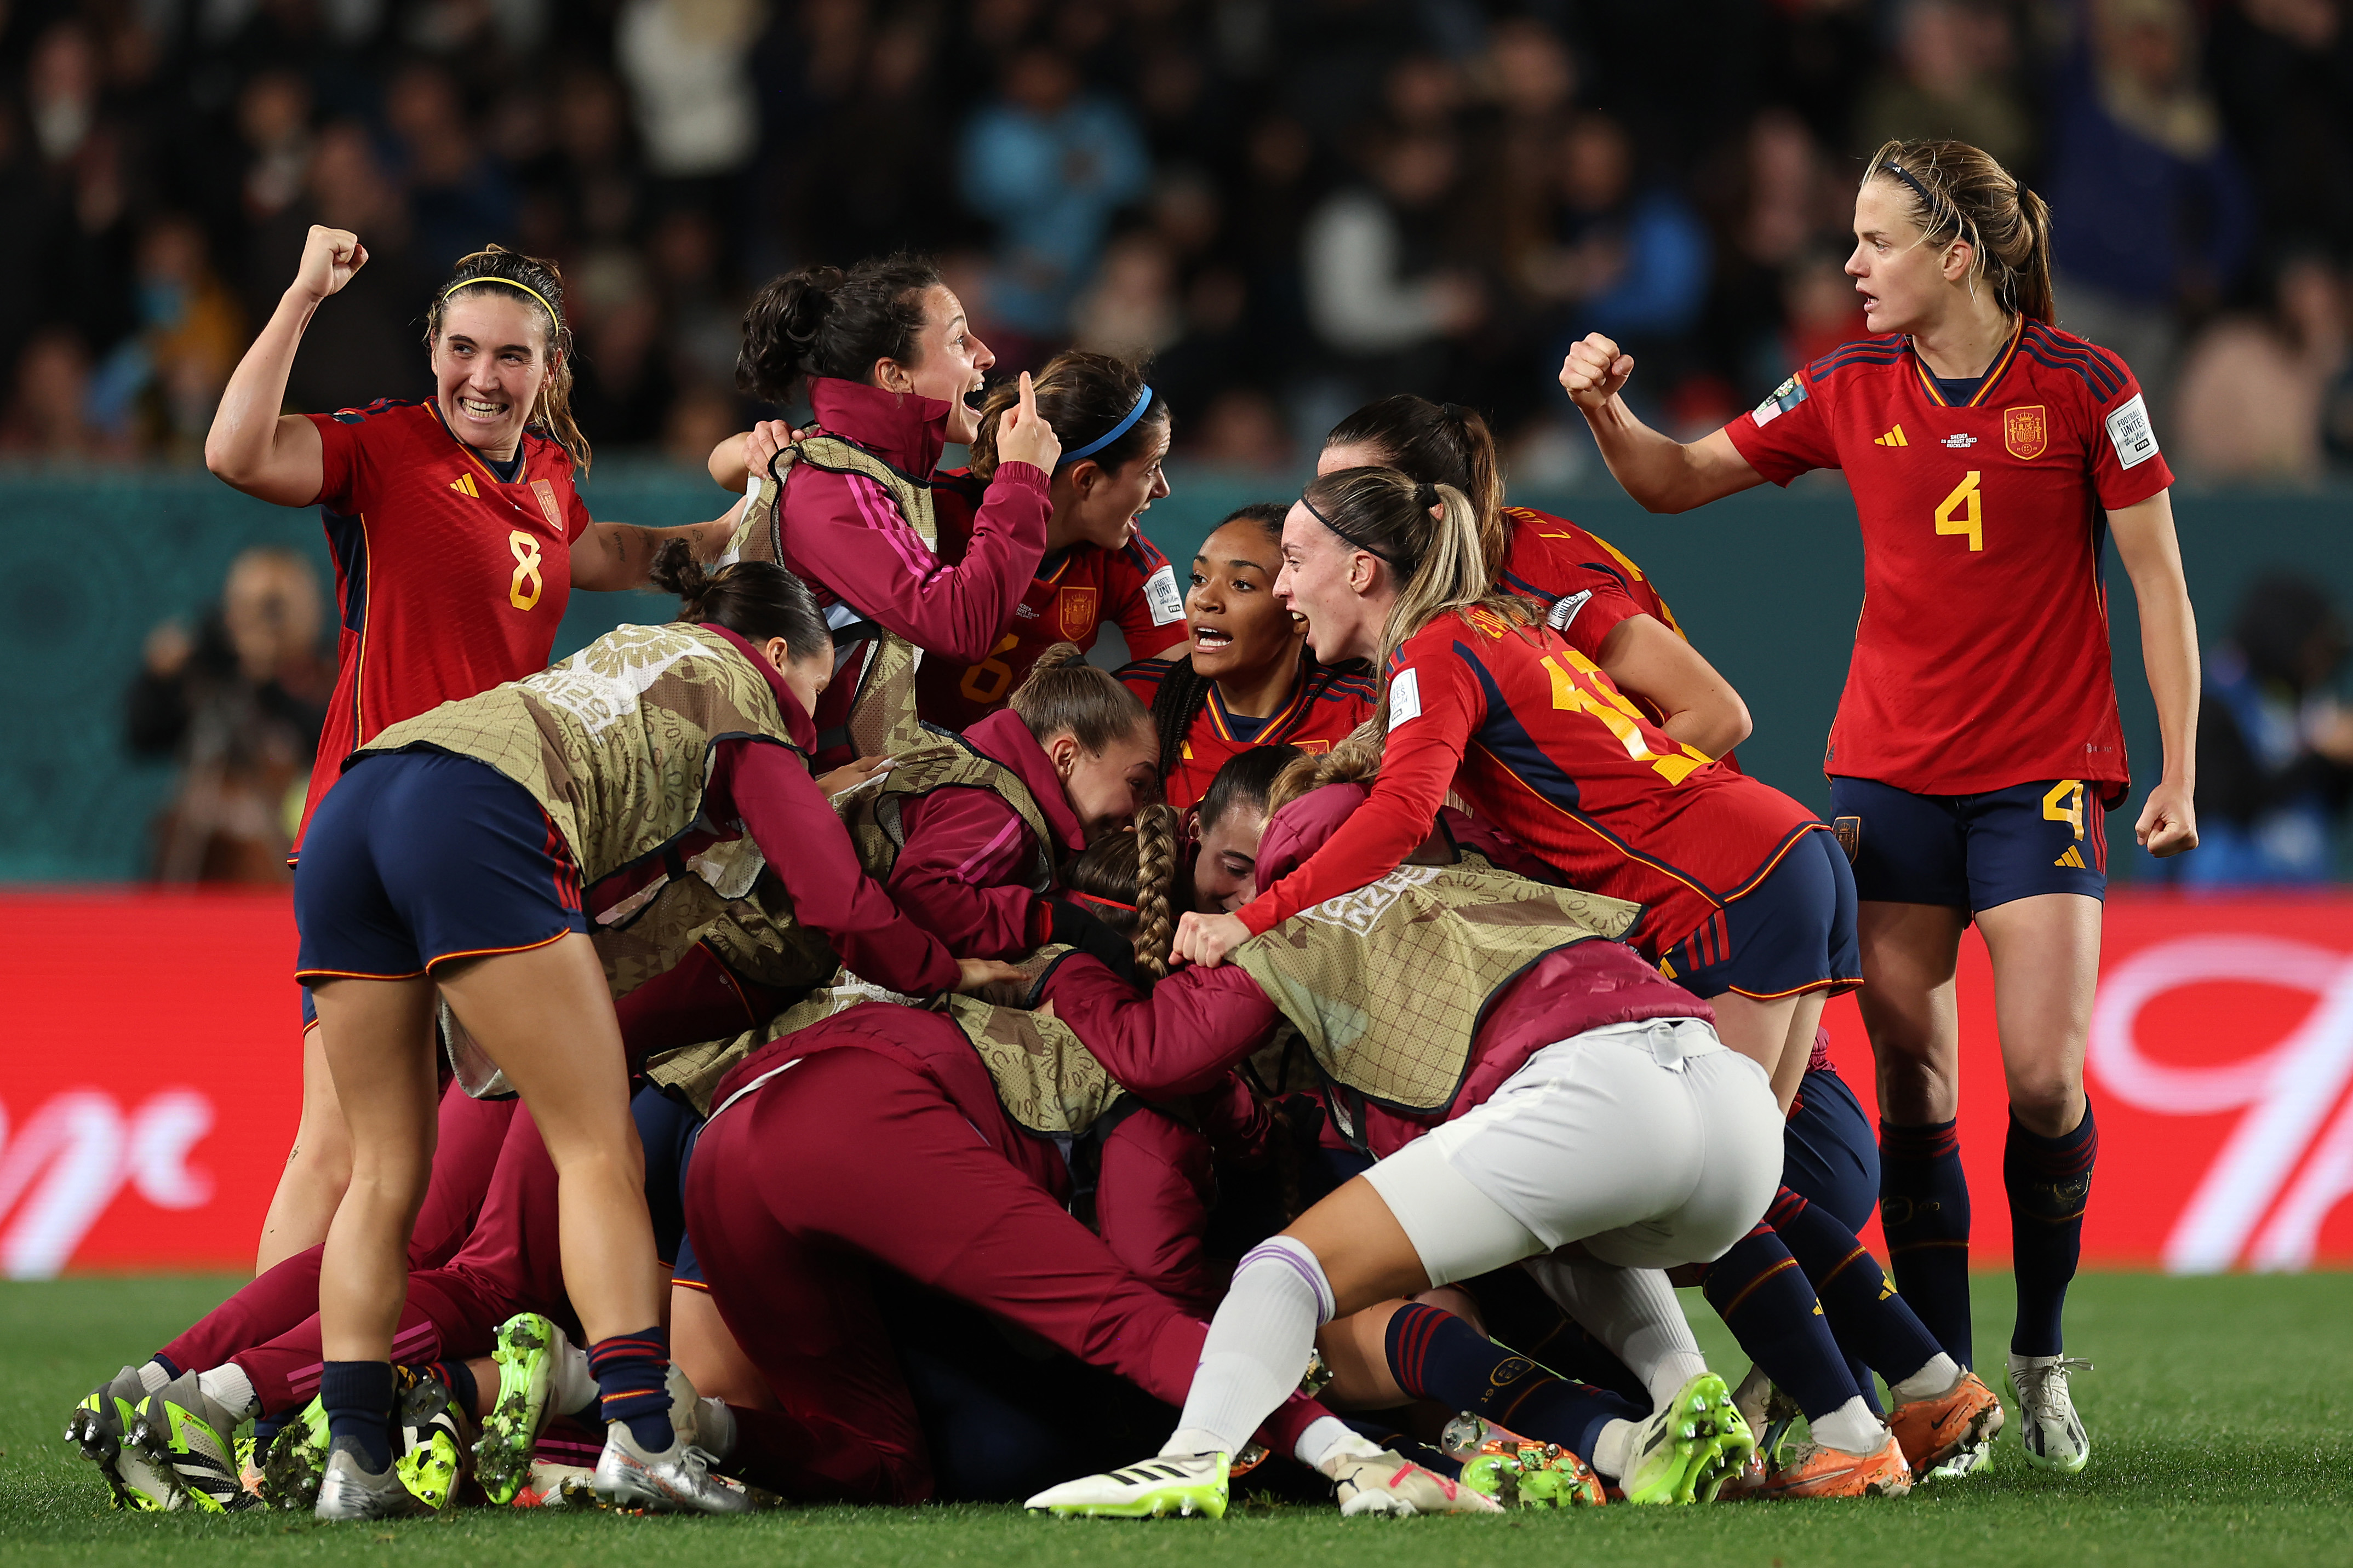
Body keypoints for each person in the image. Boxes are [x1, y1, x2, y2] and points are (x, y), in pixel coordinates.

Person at [1555, 136, 2202, 1475]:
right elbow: (1673, 481)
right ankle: (1940, 1389)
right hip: (1890, 775)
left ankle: (2041, 1348)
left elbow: (2156, 585)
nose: (1848, 264)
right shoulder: (1845, 385)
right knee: (1912, 1088)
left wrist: (2178, 770)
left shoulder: (2088, 386)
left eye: (1875, 241)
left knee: (2040, 1080)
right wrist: (1606, 417)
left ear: (1954, 256)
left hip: (2041, 779)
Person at [288, 547, 1010, 1519]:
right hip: (477, 813)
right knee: (597, 1148)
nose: (813, 703)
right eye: (813, 673)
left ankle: (354, 1460)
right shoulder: (744, 690)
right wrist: (941, 967)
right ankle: (647, 1437)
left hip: (354, 804)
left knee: (382, 1171)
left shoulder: (634, 647)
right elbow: (831, 893)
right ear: (772, 648)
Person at [1023, 775, 1786, 1518]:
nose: (1240, 899)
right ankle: (1681, 1393)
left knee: (1280, 1270)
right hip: (1729, 1105)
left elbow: (1162, 1052)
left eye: (1251, 875)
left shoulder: (1302, 914)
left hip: (1592, 1096)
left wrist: (1059, 966)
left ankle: (1191, 1456)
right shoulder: (1468, 874)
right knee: (1559, 1229)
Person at [203, 229, 736, 1277]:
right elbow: (233, 453)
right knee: (347, 1148)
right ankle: (248, 1392)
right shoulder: (383, 449)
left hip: (487, 836)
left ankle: (374, 1379)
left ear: (551, 371)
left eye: (509, 357)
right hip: (373, 832)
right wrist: (304, 296)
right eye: (461, 349)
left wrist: (741, 526)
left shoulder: (546, 476)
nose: (480, 377)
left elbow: (612, 554)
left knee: (446, 1147)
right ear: (432, 350)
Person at [1177, 471, 1856, 1111]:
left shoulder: (1433, 652)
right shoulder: (1489, 620)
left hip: (1721, 879)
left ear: (1360, 571)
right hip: (1779, 848)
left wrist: (1249, 918)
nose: (1284, 591)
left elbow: (1399, 817)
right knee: (1745, 1174)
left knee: (1714, 1183)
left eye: (1293, 562)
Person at [707, 255, 1060, 766]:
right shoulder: (833, 487)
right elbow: (959, 625)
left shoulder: (876, 473)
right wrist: (1022, 481)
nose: (984, 355)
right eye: (959, 340)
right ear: (894, 375)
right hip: (743, 814)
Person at [1319, 395, 1748, 761]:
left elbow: (1717, 715)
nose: (1326, 516)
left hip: (1677, 839)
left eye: (1354, 494)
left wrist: (1594, 813)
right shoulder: (1424, 579)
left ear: (1426, 499)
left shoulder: (1541, 574)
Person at [918, 352, 1189, 730]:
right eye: (1151, 468)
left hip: (1015, 775)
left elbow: (1182, 694)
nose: (1162, 489)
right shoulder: (928, 512)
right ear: (1086, 479)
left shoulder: (1133, 567)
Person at [1118, 504, 1378, 813]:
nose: (1204, 599)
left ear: (1298, 612)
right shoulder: (1135, 700)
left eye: (1241, 584)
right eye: (1199, 578)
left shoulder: (1365, 712)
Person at [2182, 573, 2353, 885]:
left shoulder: (2307, 706)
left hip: (2303, 898)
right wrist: (2319, 755)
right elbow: (2233, 800)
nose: (2320, 664)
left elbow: (2324, 805)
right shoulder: (2209, 701)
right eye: (2314, 648)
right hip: (2218, 899)